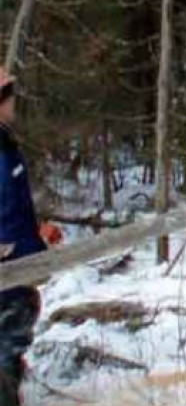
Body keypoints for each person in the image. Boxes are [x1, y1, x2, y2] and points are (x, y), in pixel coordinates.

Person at [0, 69, 61, 405]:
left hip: (17, 257)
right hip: (9, 268)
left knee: (11, 342)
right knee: (7, 341)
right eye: (9, 98)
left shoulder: (7, 147)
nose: (14, 106)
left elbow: (12, 207)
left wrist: (36, 233)